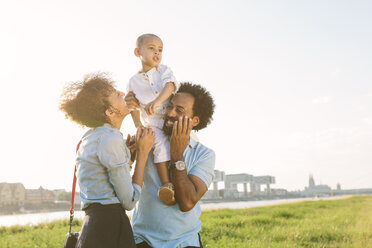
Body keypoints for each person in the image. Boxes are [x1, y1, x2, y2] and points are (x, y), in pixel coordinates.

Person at [59, 73, 155, 248]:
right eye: (117, 95)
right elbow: (129, 201)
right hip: (111, 230)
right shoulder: (110, 139)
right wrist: (142, 153)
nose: (122, 93)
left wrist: (128, 160)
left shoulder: (87, 139)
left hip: (92, 228)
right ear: (110, 112)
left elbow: (103, 183)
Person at [125, 82, 216, 248]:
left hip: (185, 242)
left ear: (195, 120)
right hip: (142, 241)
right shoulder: (149, 141)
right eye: (169, 107)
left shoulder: (204, 154)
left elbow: (187, 202)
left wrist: (176, 154)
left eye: (179, 110)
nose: (169, 113)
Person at [127, 33, 179, 205]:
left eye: (160, 50)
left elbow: (170, 86)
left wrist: (157, 101)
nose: (157, 53)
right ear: (137, 52)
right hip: (152, 124)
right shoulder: (133, 81)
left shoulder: (164, 70)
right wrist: (138, 125)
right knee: (159, 145)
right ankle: (166, 185)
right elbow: (132, 106)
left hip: (171, 118)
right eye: (151, 49)